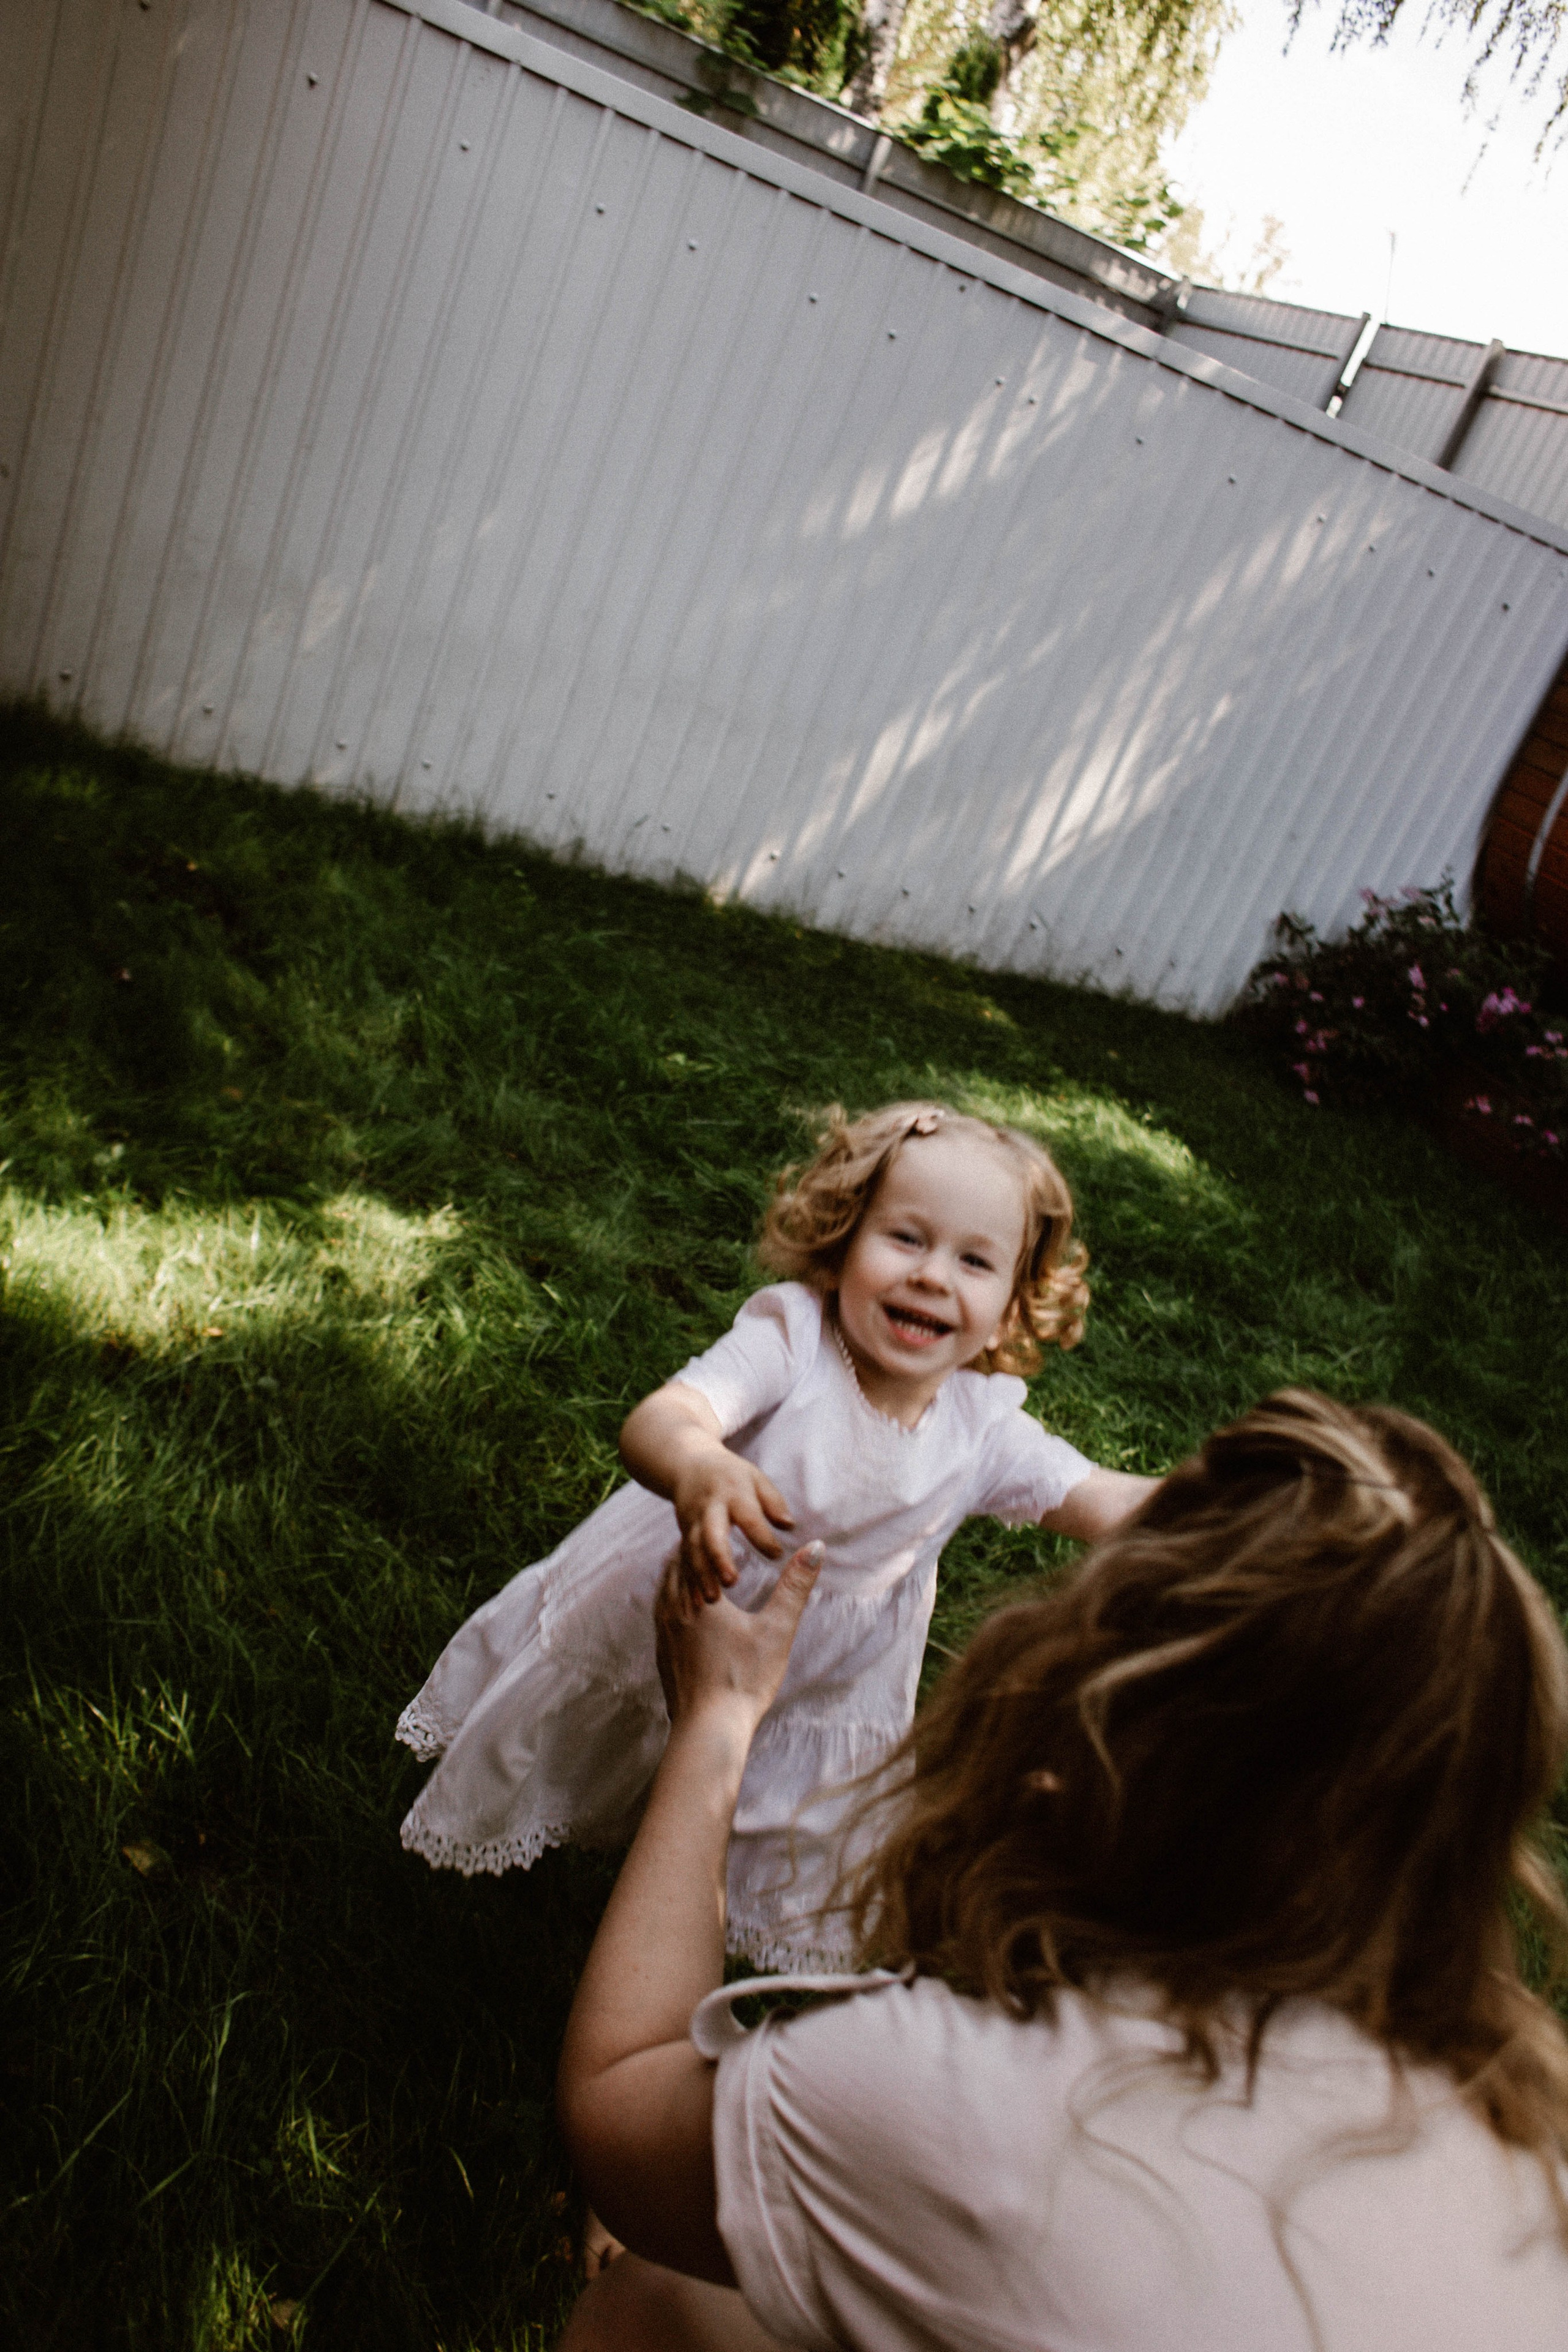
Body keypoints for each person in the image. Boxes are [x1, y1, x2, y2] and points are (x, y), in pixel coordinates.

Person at [556, 1389, 1568, 2352]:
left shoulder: (963, 2103)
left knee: (652, 2308)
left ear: (1117, 1719)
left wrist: (720, 1717)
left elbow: (619, 2101)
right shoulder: (1529, 2123)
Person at [396, 1101, 1153, 1972]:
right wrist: (698, 1466)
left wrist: (1234, 1501)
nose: (932, 1276)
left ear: (1013, 1306)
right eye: (905, 1239)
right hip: (680, 1605)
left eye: (974, 1261)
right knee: (604, 1728)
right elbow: (663, 1418)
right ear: (842, 1240)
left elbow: (1103, 1499)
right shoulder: (794, 1341)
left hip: (823, 1678)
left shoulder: (983, 1429)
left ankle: (691, 1910)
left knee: (772, 1797)